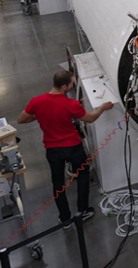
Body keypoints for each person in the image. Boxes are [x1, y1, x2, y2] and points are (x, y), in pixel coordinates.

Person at [17, 70, 114, 228]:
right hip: (73, 147)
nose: (72, 85)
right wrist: (102, 107)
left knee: (58, 183)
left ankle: (65, 218)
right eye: (71, 84)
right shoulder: (71, 104)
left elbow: (21, 119)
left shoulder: (37, 101)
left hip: (53, 150)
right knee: (82, 175)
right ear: (64, 87)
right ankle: (82, 212)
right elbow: (90, 119)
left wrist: (40, 115)